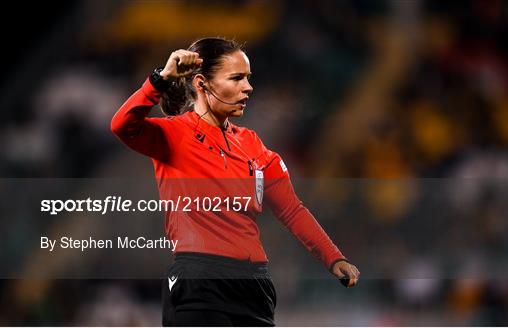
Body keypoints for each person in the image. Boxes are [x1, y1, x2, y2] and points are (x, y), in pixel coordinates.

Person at [111, 37, 360, 326]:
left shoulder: (254, 145)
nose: (248, 87)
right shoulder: (171, 136)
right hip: (199, 281)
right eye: (237, 78)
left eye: (248, 78)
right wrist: (161, 78)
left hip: (254, 286)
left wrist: (334, 258)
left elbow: (292, 210)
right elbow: (122, 125)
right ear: (202, 84)